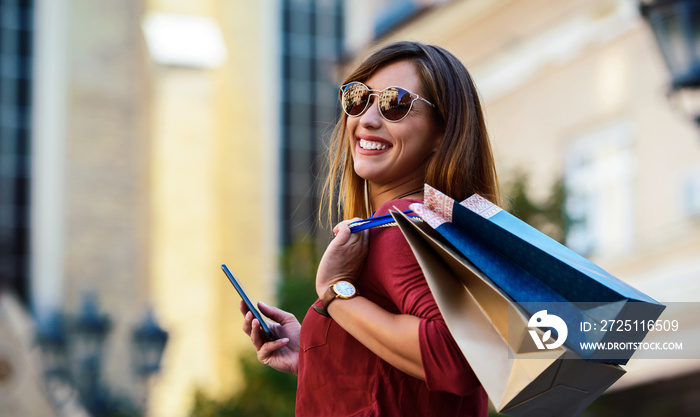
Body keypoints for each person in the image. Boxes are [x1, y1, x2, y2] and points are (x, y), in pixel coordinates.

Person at [240, 41, 500, 417]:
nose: (368, 119)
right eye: (358, 99)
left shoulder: (401, 225)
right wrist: (317, 352)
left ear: (443, 132)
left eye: (395, 104)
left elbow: (455, 358)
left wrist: (335, 294)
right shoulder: (440, 223)